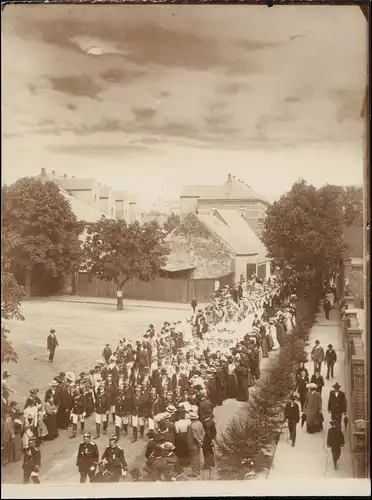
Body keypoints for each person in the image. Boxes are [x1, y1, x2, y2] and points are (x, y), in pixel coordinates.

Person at [187, 411, 205, 478]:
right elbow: (203, 432)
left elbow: (194, 436)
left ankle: (194, 473)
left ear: (191, 419)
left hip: (193, 444)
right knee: (198, 458)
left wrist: (198, 442)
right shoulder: (200, 423)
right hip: (199, 443)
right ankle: (199, 471)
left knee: (193, 459)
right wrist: (201, 440)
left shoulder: (192, 426)